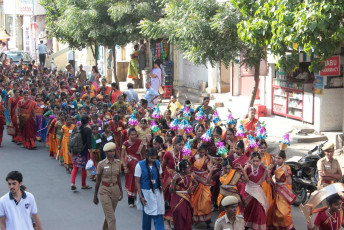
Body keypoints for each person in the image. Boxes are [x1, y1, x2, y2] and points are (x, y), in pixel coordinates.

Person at [94, 142, 123, 230]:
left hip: (115, 190)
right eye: (110, 151)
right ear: (106, 153)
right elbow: (98, 180)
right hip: (104, 190)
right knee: (112, 218)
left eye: (113, 151)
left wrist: (121, 191)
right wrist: (95, 195)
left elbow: (118, 178)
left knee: (109, 215)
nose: (112, 153)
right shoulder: (101, 164)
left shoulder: (118, 163)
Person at [135, 148, 165, 230]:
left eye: (155, 158)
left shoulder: (157, 163)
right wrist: (141, 197)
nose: (153, 160)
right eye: (152, 158)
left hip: (157, 191)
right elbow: (137, 181)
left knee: (158, 213)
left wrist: (162, 189)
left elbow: (160, 177)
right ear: (146, 156)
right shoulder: (139, 165)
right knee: (147, 214)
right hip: (145, 193)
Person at [267, 150, 295, 230]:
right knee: (274, 211)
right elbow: (269, 176)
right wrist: (269, 168)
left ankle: (290, 227)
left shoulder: (287, 167)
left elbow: (289, 182)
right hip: (276, 190)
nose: (277, 160)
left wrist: (286, 173)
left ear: (284, 159)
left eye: (279, 158)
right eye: (276, 158)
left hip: (284, 192)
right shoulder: (274, 166)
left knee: (284, 213)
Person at [242, 152, 269, 229]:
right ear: (251, 160)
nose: (255, 163)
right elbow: (244, 180)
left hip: (258, 193)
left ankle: (256, 226)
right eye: (253, 161)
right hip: (249, 192)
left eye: (257, 161)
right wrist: (244, 169)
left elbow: (268, 181)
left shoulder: (262, 168)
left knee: (259, 209)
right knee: (248, 210)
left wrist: (267, 171)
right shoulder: (248, 167)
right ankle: (246, 225)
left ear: (260, 161)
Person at [169, 159, 196, 230]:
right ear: (183, 169)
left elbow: (196, 183)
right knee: (180, 216)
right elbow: (170, 190)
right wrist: (173, 181)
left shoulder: (189, 176)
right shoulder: (176, 177)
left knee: (188, 217)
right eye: (188, 168)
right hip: (177, 199)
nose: (190, 169)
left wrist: (191, 189)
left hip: (186, 199)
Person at [122, 128, 146, 207]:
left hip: (139, 162)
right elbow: (122, 156)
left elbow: (144, 154)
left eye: (135, 134)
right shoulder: (125, 144)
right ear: (128, 136)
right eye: (132, 135)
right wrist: (125, 167)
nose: (134, 136)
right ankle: (130, 200)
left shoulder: (140, 142)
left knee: (140, 179)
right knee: (131, 180)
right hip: (130, 163)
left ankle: (139, 197)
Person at [71, 114, 93, 190]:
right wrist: (91, 153)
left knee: (75, 167)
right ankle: (83, 184)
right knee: (83, 168)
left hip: (75, 151)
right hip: (84, 151)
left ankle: (72, 183)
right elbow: (89, 142)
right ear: (88, 122)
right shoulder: (88, 130)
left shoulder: (76, 128)